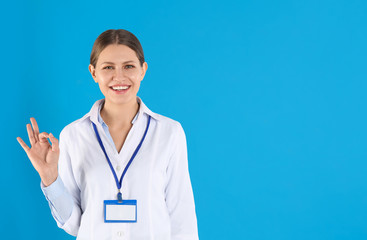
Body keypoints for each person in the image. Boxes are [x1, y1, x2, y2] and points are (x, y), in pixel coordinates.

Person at [17, 29, 199, 240]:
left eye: (129, 66)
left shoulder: (169, 132)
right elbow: (74, 224)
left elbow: (182, 220)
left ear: (143, 70)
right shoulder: (73, 135)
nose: (119, 77)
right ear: (93, 73)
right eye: (108, 67)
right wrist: (49, 177)